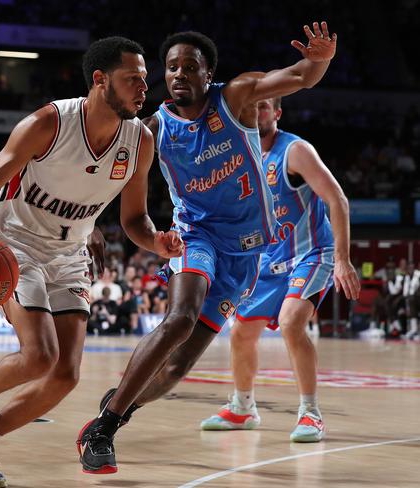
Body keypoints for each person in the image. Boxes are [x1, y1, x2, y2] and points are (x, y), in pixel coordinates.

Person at [77, 21, 341, 474]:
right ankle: (104, 431)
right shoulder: (150, 131)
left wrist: (320, 59)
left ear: (208, 73)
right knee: (179, 317)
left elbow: (299, 77)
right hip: (194, 236)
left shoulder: (237, 97)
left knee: (176, 370)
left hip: (246, 254)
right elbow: (108, 180)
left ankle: (116, 406)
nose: (179, 74)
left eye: (190, 66)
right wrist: (90, 222)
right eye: (172, 67)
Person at [0, 36, 182, 487]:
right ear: (100, 81)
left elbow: (135, 218)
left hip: (70, 255)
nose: (144, 89)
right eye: (132, 80)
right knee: (40, 355)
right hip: (12, 245)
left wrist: (156, 242)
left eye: (145, 80)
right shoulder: (48, 123)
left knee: (65, 376)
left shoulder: (140, 141)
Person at [199, 96, 360, 442]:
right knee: (241, 332)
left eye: (264, 106)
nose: (256, 112)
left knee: (291, 322)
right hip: (267, 260)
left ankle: (310, 413)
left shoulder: (296, 150)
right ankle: (242, 409)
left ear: (277, 113)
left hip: (312, 253)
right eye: (251, 106)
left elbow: (338, 199)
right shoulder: (238, 155)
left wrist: (343, 260)